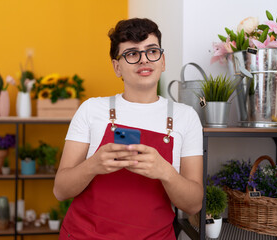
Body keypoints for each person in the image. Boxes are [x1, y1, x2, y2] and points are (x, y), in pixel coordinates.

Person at [53, 18, 203, 240]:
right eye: (132, 54)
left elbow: (193, 205)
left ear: (162, 61)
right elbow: (60, 190)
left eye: (151, 51)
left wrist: (165, 172)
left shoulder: (185, 117)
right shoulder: (92, 109)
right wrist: (93, 165)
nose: (144, 60)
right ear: (117, 67)